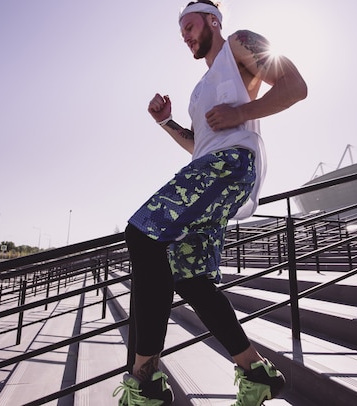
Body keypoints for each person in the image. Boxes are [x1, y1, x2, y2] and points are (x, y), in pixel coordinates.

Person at [113, 1, 307, 405]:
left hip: (232, 164)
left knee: (142, 234)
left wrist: (243, 112)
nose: (184, 35)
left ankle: (145, 382)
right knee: (191, 278)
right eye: (181, 30)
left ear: (212, 21)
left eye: (190, 25)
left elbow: (295, 88)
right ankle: (257, 373)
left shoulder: (240, 44)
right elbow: (198, 146)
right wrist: (166, 122)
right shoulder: (200, 89)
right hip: (212, 165)